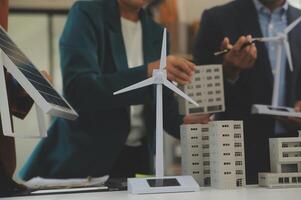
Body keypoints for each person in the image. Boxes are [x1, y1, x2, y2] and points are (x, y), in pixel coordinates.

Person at [20, 0, 210, 181]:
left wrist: (183, 122)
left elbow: (161, 106)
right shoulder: (87, 13)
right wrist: (147, 72)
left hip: (138, 161)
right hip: (85, 161)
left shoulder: (158, 33)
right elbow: (79, 89)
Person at [194, 0, 301, 184]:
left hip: (300, 157)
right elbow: (197, 92)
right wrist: (228, 71)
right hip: (237, 158)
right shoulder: (217, 19)